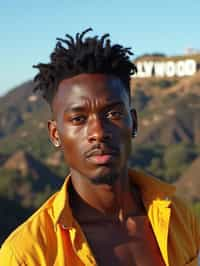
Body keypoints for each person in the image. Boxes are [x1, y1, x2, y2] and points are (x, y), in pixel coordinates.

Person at [0, 28, 199, 266]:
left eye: (113, 113)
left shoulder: (180, 218)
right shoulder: (27, 254)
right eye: (78, 119)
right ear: (55, 135)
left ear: (133, 122)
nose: (98, 133)